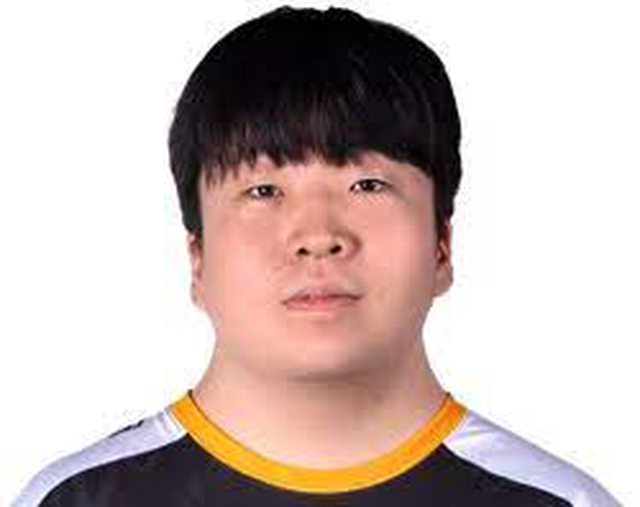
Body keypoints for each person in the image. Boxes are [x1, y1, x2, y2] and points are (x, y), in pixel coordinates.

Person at [12, 5, 621, 506]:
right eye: (263, 191)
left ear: (443, 243)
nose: (319, 234)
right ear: (196, 256)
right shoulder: (74, 500)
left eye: (367, 185)